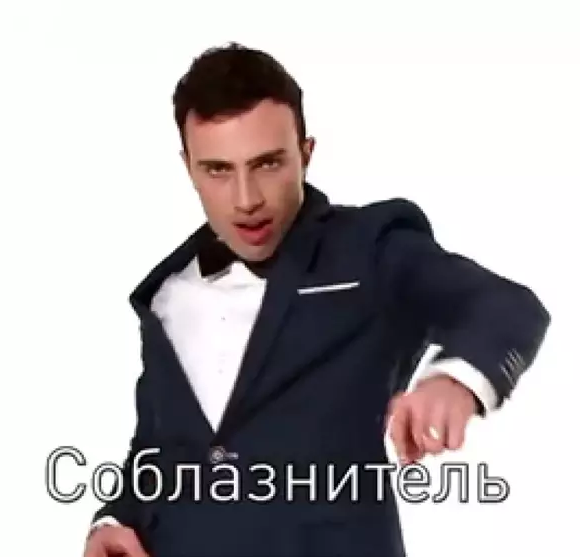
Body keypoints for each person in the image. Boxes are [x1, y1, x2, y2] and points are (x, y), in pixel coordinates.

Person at [83, 42, 550, 557]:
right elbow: (155, 446)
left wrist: (454, 380)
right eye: (218, 169)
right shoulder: (167, 292)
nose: (246, 198)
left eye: (267, 163)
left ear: (305, 154)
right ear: (188, 168)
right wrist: (113, 519)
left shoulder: (370, 250)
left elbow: (505, 306)